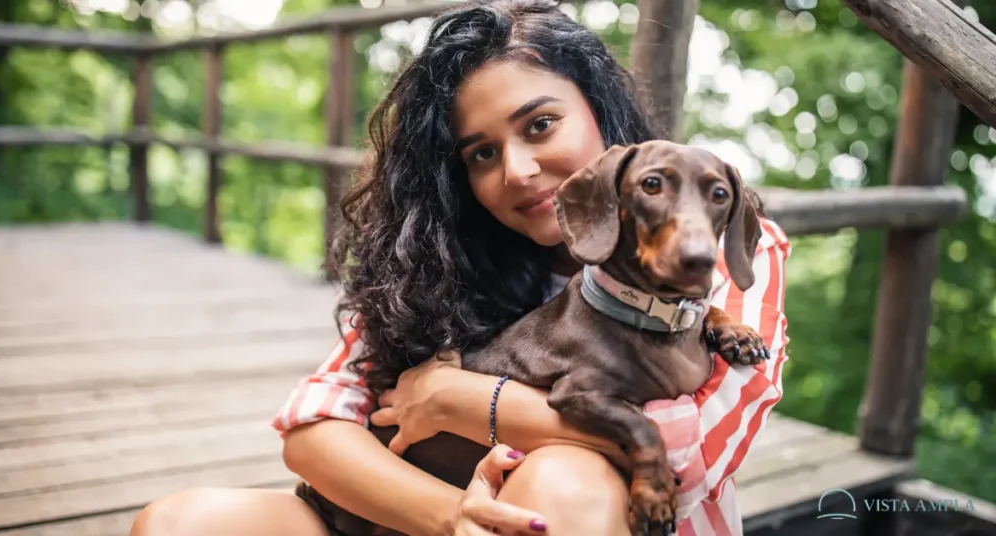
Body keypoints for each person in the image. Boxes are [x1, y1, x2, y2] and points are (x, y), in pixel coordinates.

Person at [129, 0, 791, 534]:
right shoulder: (441, 262)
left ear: (598, 110)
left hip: (581, 518)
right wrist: (451, 516)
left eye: (540, 125)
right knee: (181, 523)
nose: (519, 171)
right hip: (423, 517)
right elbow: (311, 430)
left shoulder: (716, 241)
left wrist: (460, 399)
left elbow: (693, 454)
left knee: (566, 480)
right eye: (481, 154)